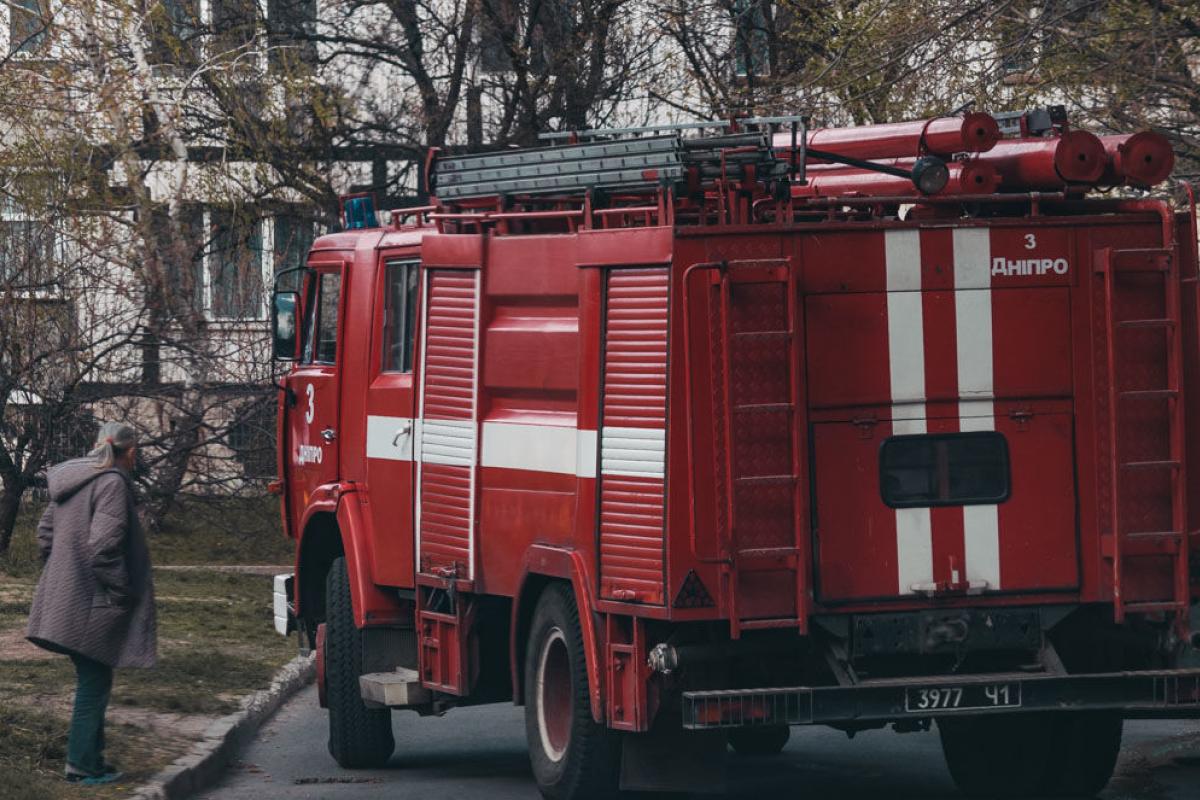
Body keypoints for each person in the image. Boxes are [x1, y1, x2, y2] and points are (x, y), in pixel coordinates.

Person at [25, 422, 157, 785]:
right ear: (130, 452)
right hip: (94, 599)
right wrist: (119, 591)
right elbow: (103, 547)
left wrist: (61, 571)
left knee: (94, 675)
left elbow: (45, 534)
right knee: (94, 680)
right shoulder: (112, 482)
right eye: (136, 452)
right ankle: (81, 765)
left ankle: (92, 762)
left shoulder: (71, 479)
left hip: (67, 594)